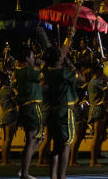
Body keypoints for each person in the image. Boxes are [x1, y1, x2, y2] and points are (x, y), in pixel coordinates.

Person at [41, 45, 80, 179]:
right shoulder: (64, 72)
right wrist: (70, 64)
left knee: (57, 145)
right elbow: (81, 79)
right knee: (66, 145)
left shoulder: (46, 72)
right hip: (64, 112)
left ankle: (53, 175)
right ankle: (62, 176)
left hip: (52, 111)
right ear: (58, 58)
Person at [15, 44, 44, 178]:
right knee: (32, 140)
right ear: (27, 58)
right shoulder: (27, 71)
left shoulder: (21, 71)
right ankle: (25, 173)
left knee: (38, 138)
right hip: (32, 108)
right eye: (32, 57)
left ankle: (23, 168)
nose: (34, 59)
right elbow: (44, 74)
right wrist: (42, 63)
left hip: (29, 108)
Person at [86, 63, 108, 167]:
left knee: (98, 136)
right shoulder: (96, 82)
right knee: (96, 136)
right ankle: (93, 160)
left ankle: (94, 159)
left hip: (95, 108)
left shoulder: (92, 81)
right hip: (98, 108)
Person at [67, 71, 89, 167]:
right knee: (77, 135)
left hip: (77, 108)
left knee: (78, 136)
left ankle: (72, 159)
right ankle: (72, 160)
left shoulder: (78, 82)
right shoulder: (76, 82)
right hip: (76, 109)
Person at [0, 68, 17, 167]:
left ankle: (6, 160)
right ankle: (5, 161)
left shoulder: (1, 91)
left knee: (7, 139)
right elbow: (15, 102)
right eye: (9, 79)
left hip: (5, 115)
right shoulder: (9, 91)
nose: (10, 80)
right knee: (7, 139)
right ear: (5, 80)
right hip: (10, 115)